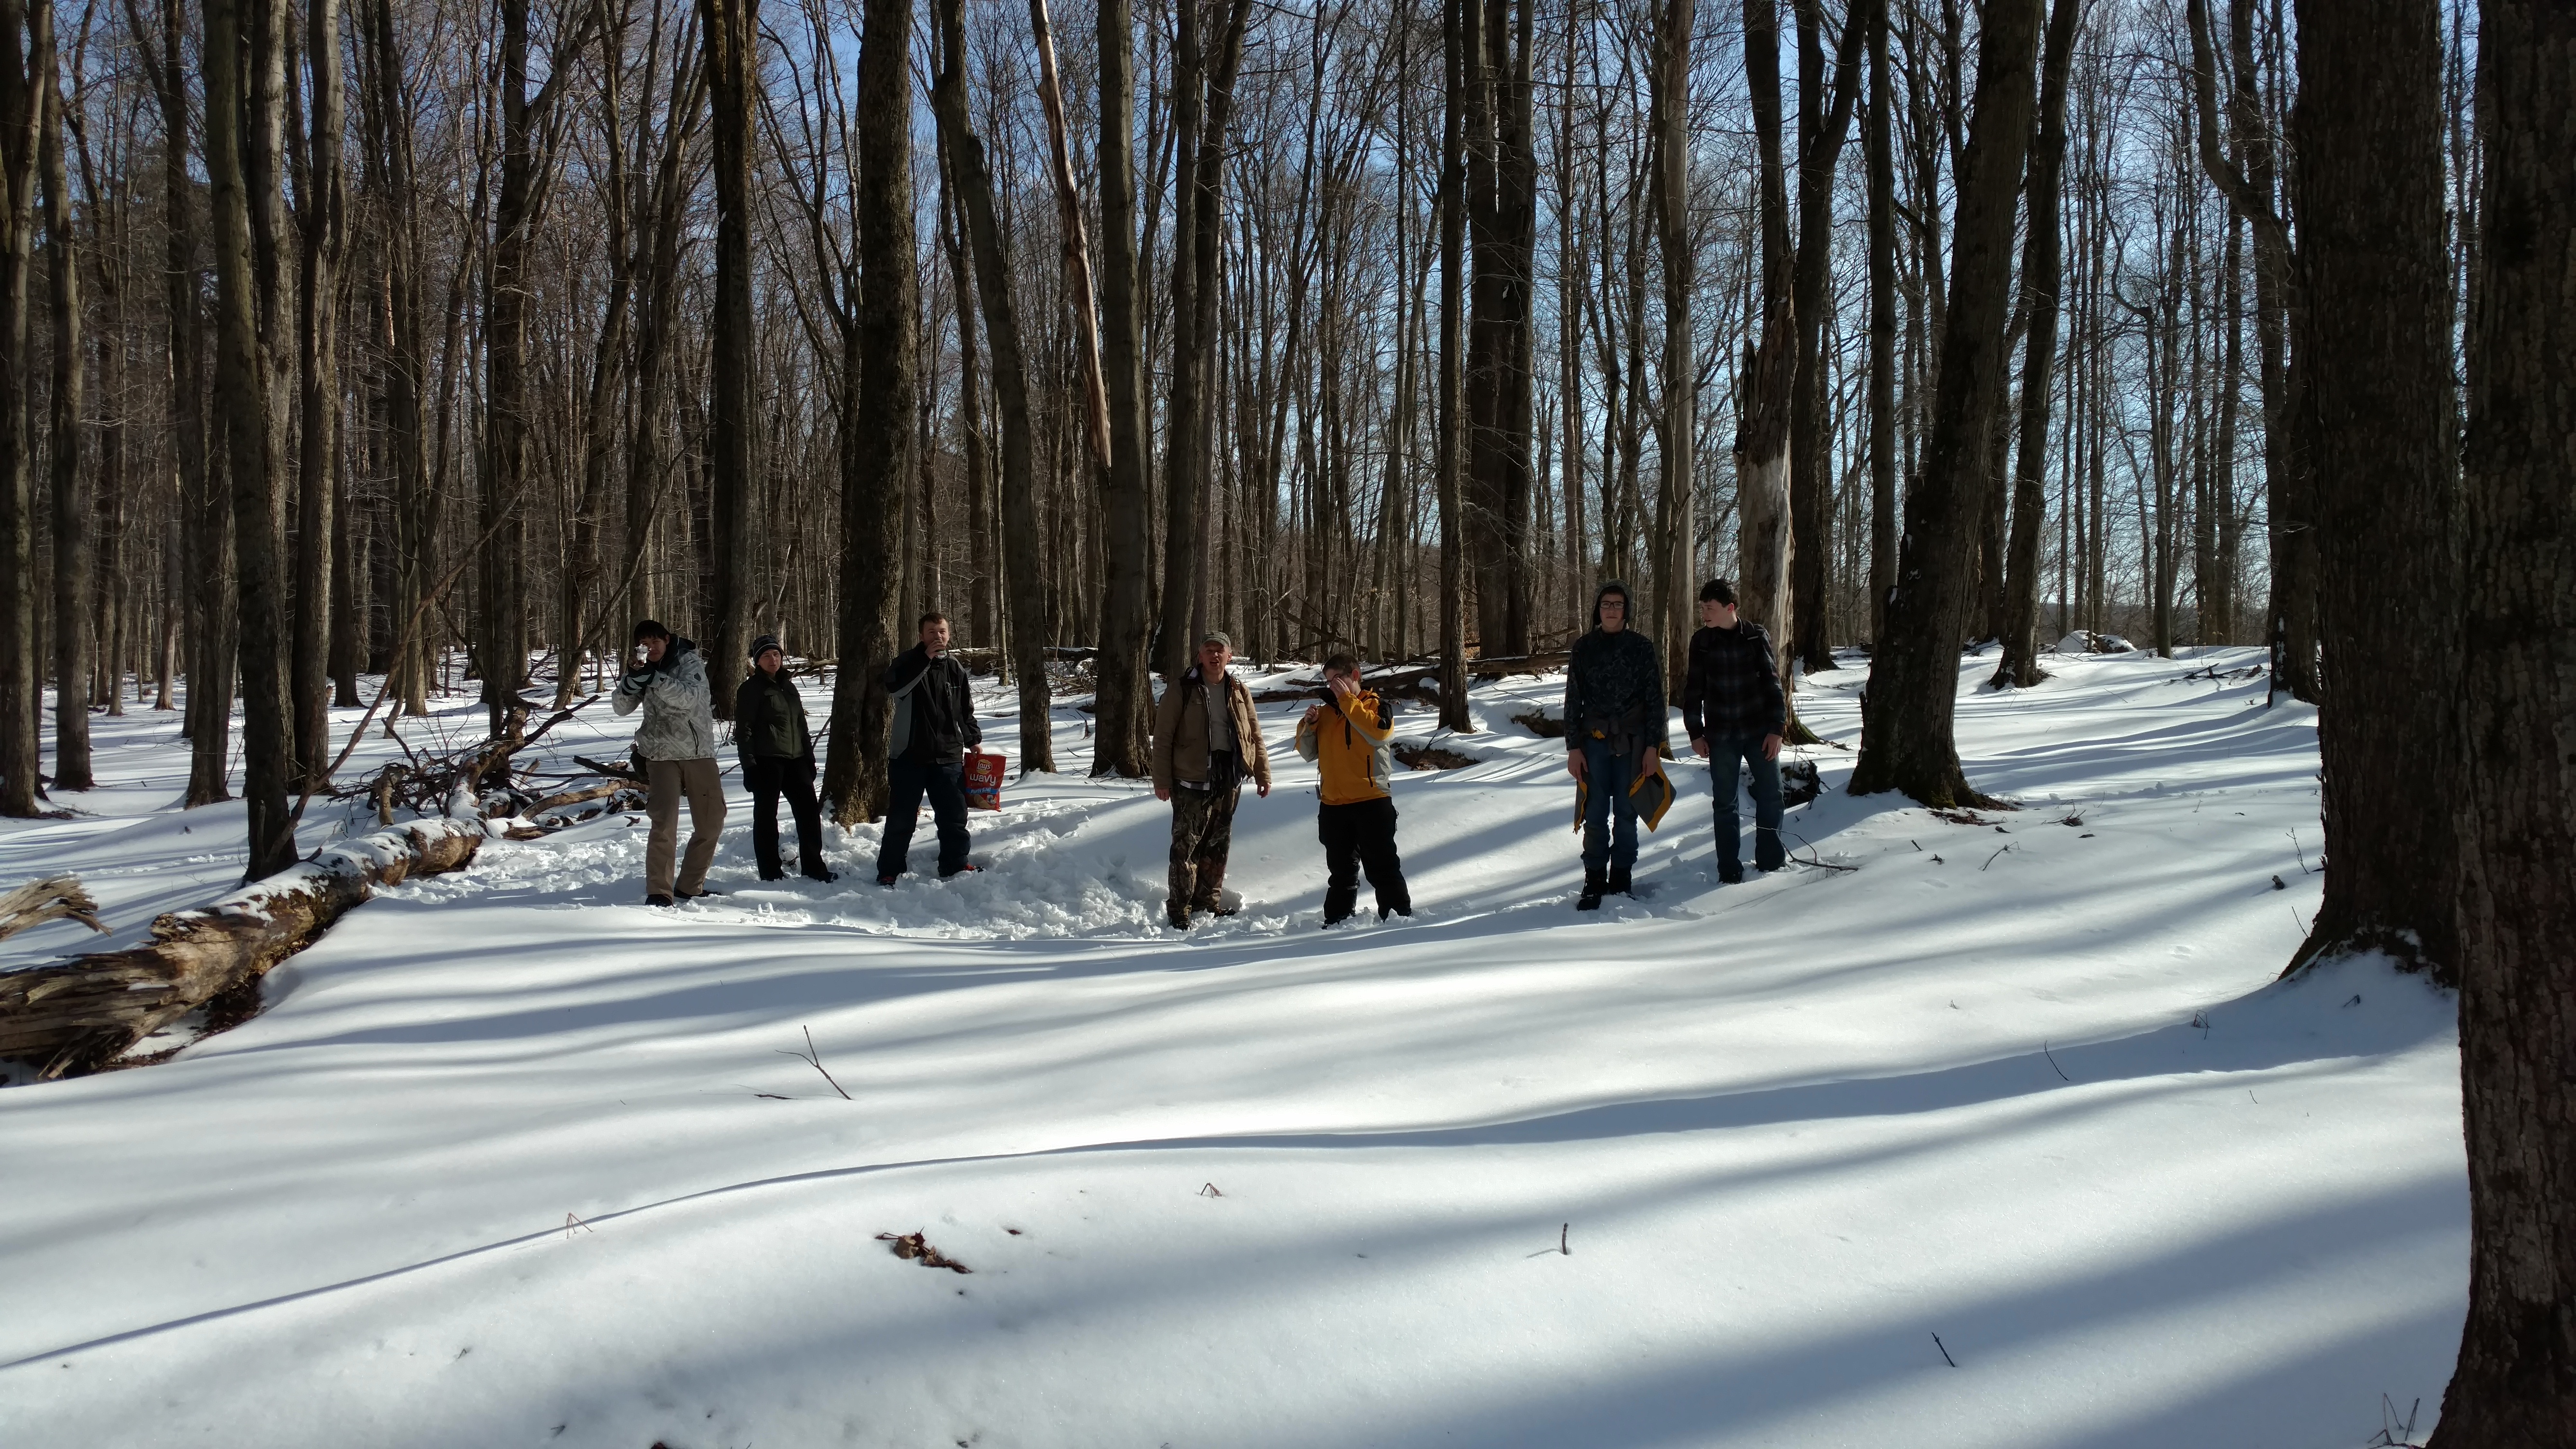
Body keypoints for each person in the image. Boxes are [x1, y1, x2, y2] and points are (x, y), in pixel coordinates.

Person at [1151, 631, 1272, 929]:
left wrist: (1262, 772)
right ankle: (1180, 909)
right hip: (1190, 778)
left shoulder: (1238, 689)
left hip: (1228, 775)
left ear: (1230, 656)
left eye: (1220, 651)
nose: (1215, 656)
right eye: (1209, 651)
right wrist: (1161, 780)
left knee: (1218, 845)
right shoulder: (1183, 689)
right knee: (1186, 847)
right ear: (1200, 656)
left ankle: (1207, 904)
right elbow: (1163, 737)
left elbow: (1253, 733)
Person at [1564, 581, 1668, 910]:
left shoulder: (1641, 647)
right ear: (1598, 609)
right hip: (1593, 742)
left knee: (1627, 811)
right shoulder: (1583, 647)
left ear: (1627, 610)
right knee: (1594, 811)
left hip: (1633, 742)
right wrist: (1573, 747)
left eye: (1618, 604)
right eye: (1606, 604)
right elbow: (1573, 700)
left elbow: (1655, 700)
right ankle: (1594, 877)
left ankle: (1622, 877)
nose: (1611, 610)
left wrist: (1653, 747)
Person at [1681, 578, 1788, 883]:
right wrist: (1695, 733)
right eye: (1702, 607)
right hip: (1721, 736)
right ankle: (1729, 869)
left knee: (1771, 796)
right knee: (1725, 804)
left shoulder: (1755, 636)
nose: (1704, 613)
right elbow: (1693, 691)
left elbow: (1773, 684)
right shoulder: (1701, 642)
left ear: (1730, 608)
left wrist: (1777, 729)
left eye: (1710, 608)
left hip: (1759, 733)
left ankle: (1770, 861)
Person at [1294, 653, 1412, 926]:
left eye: (1337, 679)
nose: (1332, 686)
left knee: (1382, 866)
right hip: (1334, 805)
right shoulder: (1325, 712)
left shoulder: (1377, 706)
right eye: (1328, 681)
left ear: (1355, 676)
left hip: (1372, 801)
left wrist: (1348, 701)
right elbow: (1307, 753)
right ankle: (1337, 919)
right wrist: (1308, 726)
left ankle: (1399, 919)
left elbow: (1379, 733)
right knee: (1341, 871)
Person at [614, 619, 725, 906]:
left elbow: (690, 699)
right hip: (660, 756)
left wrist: (655, 679)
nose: (650, 649)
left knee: (711, 823)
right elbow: (621, 708)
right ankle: (659, 891)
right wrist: (630, 682)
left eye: (656, 643)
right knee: (664, 824)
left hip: (698, 754)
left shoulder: (688, 662)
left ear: (667, 640)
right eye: (644, 645)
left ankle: (690, 886)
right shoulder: (642, 666)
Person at [878, 612, 981, 885]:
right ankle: (890, 870)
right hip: (909, 755)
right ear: (922, 636)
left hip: (948, 756)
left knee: (954, 818)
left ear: (949, 635)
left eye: (943, 632)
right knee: (901, 819)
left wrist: (973, 740)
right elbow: (896, 689)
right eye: (932, 632)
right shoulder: (906, 663)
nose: (938, 636)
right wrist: (925, 659)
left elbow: (965, 710)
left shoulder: (955, 668)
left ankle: (955, 864)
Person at [734, 635, 836, 883]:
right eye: (767, 656)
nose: (773, 660)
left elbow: (801, 726)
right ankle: (770, 872)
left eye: (777, 655)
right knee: (767, 818)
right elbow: (744, 730)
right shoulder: (751, 689)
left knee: (809, 815)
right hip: (766, 761)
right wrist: (749, 766)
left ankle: (814, 868)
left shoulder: (789, 687)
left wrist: (809, 759)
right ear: (757, 661)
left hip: (796, 760)